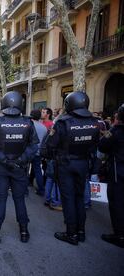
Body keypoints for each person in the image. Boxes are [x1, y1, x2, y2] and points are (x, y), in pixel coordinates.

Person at [45, 91, 100, 246]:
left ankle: (71, 234)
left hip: (66, 165)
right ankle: (81, 232)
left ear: (69, 104)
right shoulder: (95, 122)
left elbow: (51, 144)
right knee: (79, 198)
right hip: (84, 164)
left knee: (68, 199)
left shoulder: (63, 122)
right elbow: (96, 145)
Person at [0, 91, 39, 244]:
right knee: (19, 199)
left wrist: (4, 160)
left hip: (2, 167)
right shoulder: (28, 122)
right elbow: (33, 145)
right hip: (19, 168)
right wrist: (21, 160)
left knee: (0, 200)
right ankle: (24, 232)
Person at [98, 103, 124, 248]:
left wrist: (115, 126)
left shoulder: (117, 131)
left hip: (118, 172)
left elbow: (102, 145)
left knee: (117, 203)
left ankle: (119, 235)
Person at [29, 109, 48, 196]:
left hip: (28, 151)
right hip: (38, 151)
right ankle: (41, 189)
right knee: (37, 170)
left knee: (24, 170)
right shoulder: (44, 127)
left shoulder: (29, 125)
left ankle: (24, 189)